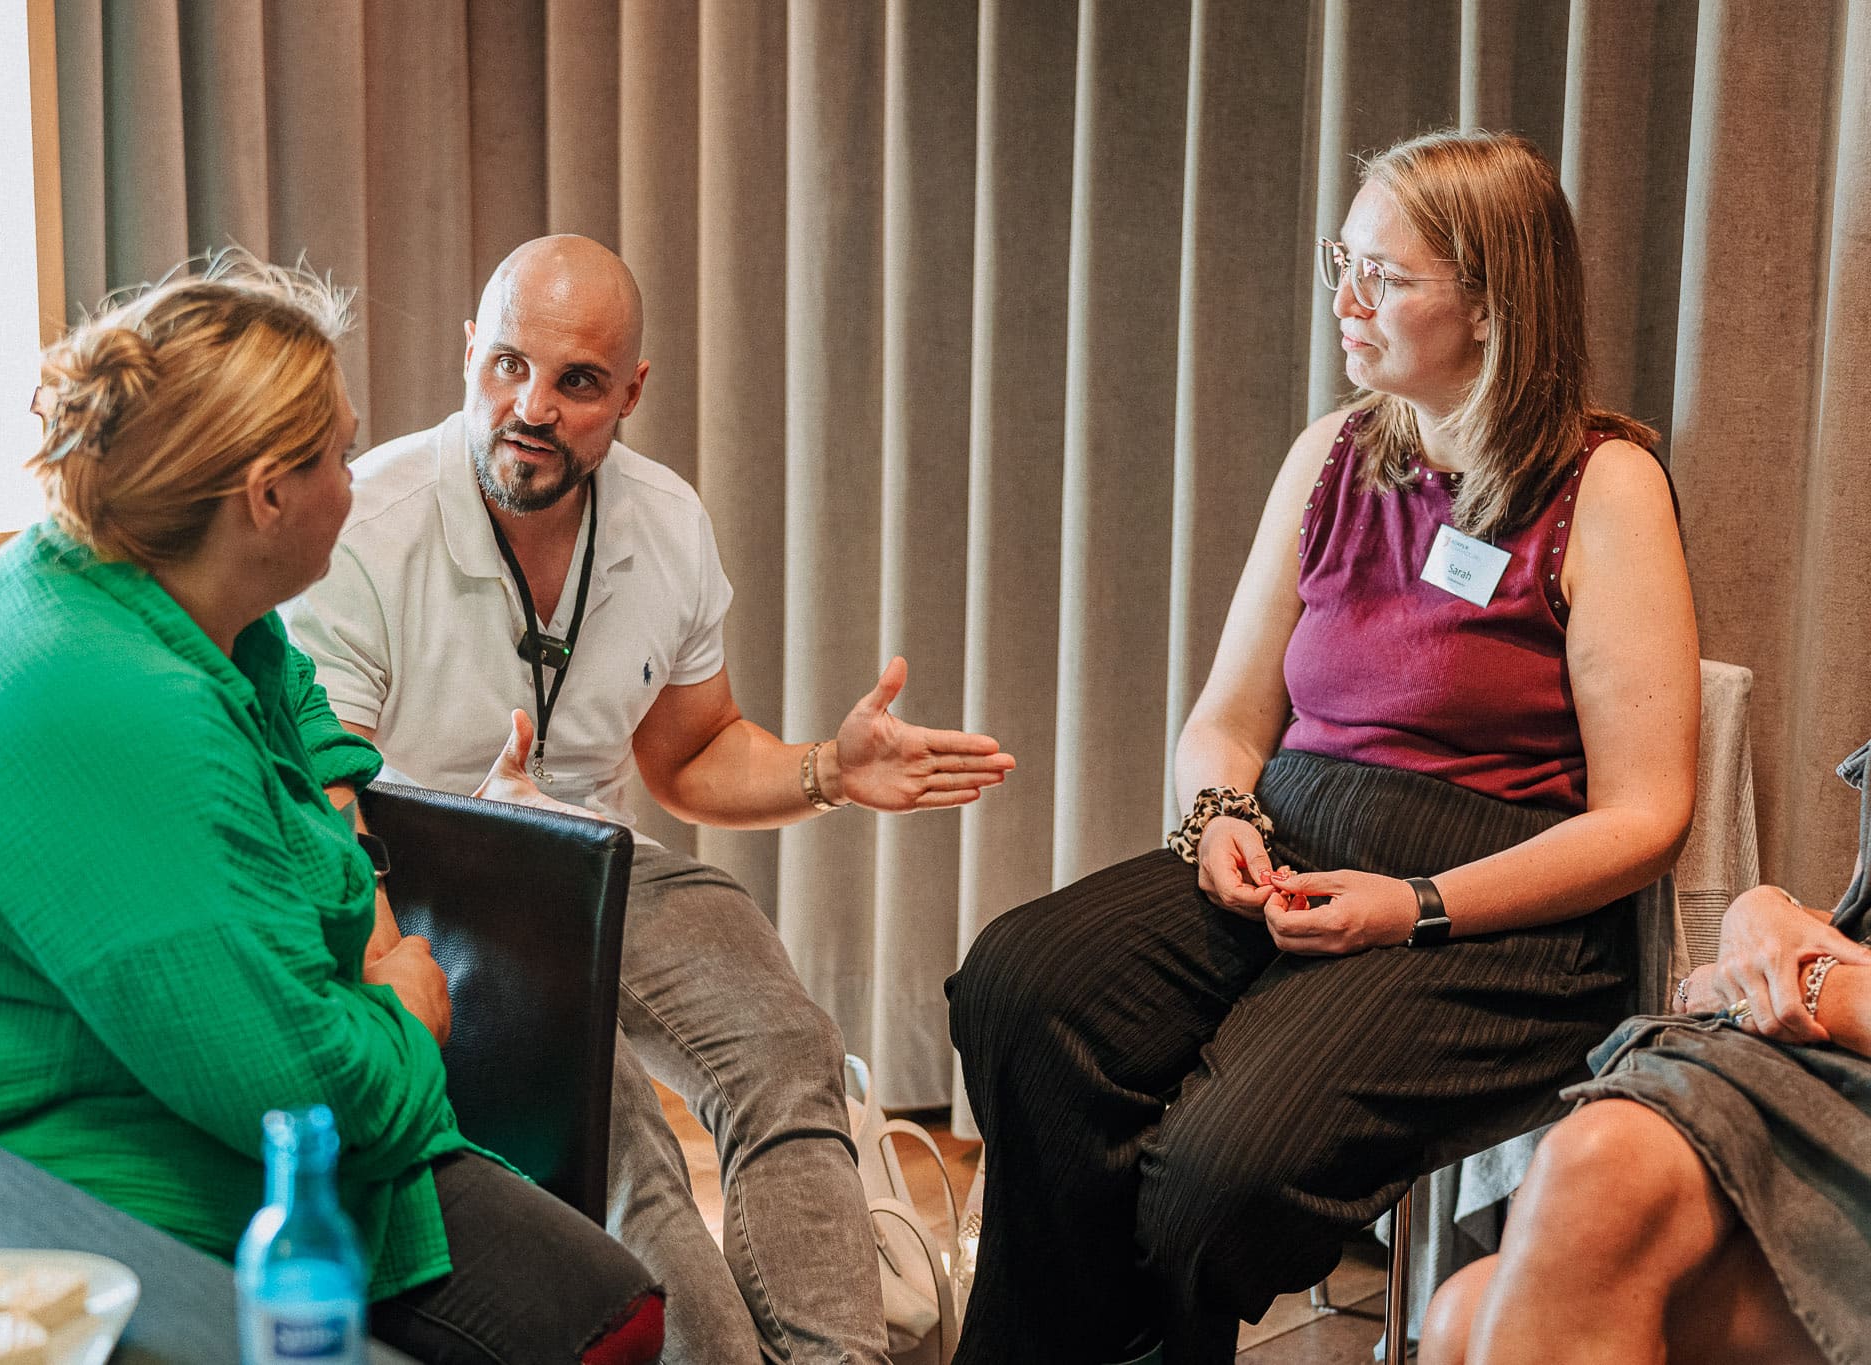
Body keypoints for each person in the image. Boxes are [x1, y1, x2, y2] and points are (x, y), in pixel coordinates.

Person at [944, 128, 1701, 1364]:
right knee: (1020, 983)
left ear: (1491, 304)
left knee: (1213, 1176)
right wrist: (1217, 821)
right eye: (1338, 264)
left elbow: (1642, 818)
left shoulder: (1600, 487)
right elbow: (1228, 723)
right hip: (1291, 842)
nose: (1346, 302)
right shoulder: (1334, 454)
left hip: (1488, 910)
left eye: (1386, 278)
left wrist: (1411, 907)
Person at [0, 256, 664, 1365]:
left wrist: (360, 888)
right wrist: (405, 1003)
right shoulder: (113, 708)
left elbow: (296, 701)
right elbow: (308, 1097)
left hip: (90, 1057)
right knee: (601, 1307)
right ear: (268, 495)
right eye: (341, 455)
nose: (355, 482)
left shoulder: (126, 574)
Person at [284, 233, 1016, 1365]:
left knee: (788, 1046)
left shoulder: (662, 521)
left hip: (598, 863)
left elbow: (692, 755)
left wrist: (830, 768)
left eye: (575, 383)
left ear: (629, 393)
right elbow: (328, 812)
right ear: (468, 352)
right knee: (616, 1124)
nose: (531, 406)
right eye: (508, 366)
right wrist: (488, 845)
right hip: (410, 888)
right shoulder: (367, 528)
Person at [1422, 739, 1871, 1365]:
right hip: (1821, 1044)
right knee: (1475, 1296)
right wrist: (1765, 912)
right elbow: (1859, 918)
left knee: (1469, 1317)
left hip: (1837, 1034)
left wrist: (1814, 990)